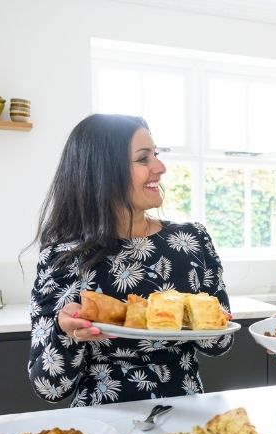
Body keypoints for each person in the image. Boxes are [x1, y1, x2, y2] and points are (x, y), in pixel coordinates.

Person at [27, 114, 233, 406]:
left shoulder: (192, 241)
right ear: (103, 172)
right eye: (143, 159)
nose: (160, 168)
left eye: (156, 155)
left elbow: (220, 345)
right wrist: (65, 333)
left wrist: (209, 319)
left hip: (185, 419)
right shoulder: (63, 256)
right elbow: (48, 388)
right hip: (100, 425)